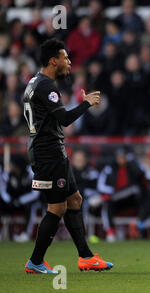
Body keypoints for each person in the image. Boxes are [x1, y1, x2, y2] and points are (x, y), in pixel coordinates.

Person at [22, 39, 113, 274]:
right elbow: (64, 119)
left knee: (75, 200)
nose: (69, 62)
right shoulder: (46, 86)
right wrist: (85, 104)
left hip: (50, 151)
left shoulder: (33, 83)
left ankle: (86, 257)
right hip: (48, 153)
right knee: (57, 207)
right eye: (65, 58)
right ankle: (36, 261)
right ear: (54, 60)